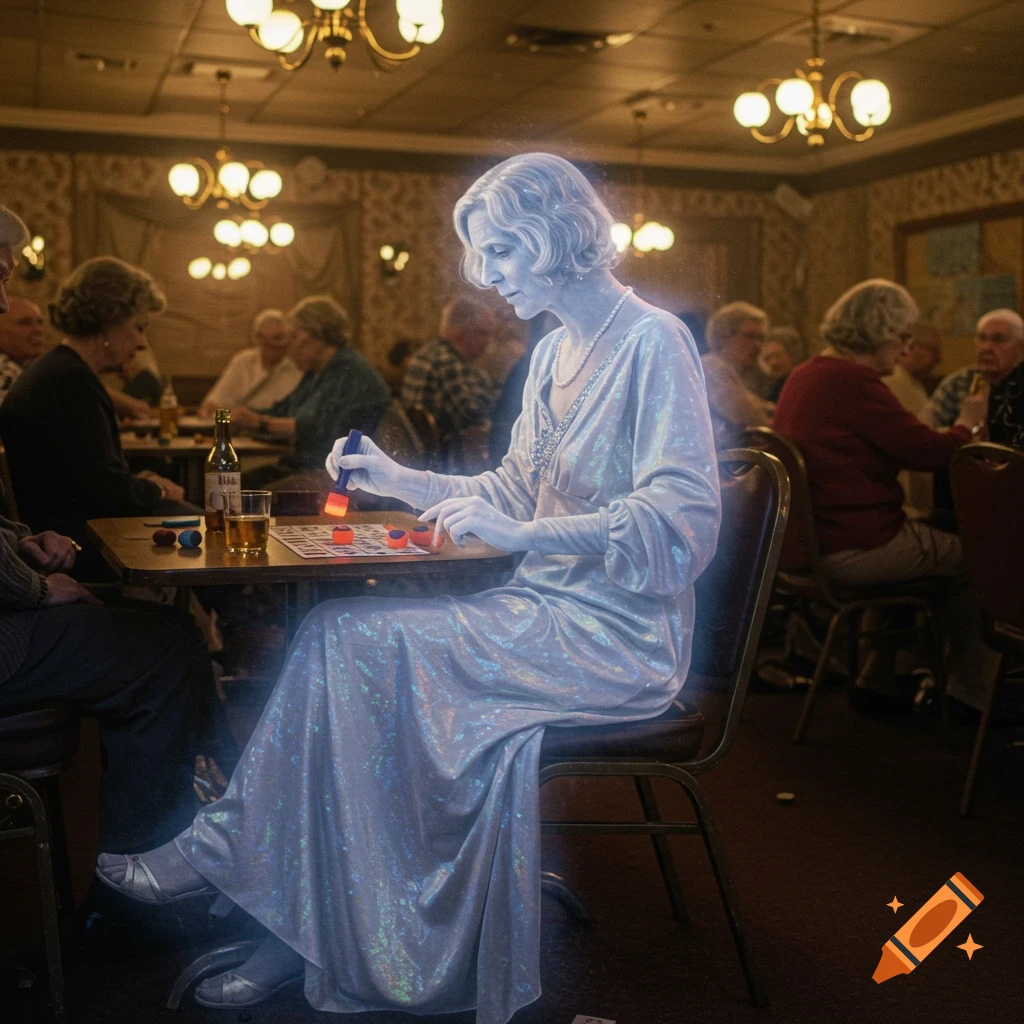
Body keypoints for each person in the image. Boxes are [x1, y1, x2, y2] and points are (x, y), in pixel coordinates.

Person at [94, 152, 721, 1021]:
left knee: (348, 642)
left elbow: (683, 526)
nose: (489, 278)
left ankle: (236, 867)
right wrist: (400, 477)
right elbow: (507, 491)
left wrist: (531, 534)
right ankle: (311, 924)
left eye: (501, 254)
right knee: (340, 646)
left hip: (617, 635)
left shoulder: (654, 340)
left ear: (552, 237)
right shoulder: (552, 355)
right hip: (538, 613)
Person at [773, 279, 994, 710]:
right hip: (855, 546)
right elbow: (929, 452)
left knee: (925, 544)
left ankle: (879, 676)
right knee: (979, 560)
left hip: (811, 545)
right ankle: (974, 696)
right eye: (902, 336)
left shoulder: (806, 374)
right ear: (876, 331)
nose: (906, 349)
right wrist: (968, 423)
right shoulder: (852, 381)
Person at [0, 256, 191, 580]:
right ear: (108, 323)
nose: (142, 342)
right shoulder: (70, 381)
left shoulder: (60, 370)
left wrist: (144, 484)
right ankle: (250, 620)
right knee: (205, 528)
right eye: (139, 327)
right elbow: (108, 492)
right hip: (79, 545)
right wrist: (156, 491)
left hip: (70, 532)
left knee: (196, 521)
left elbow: (94, 475)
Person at [230, 295, 390, 490]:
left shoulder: (349, 371)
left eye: (294, 336)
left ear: (315, 336)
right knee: (232, 485)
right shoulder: (317, 371)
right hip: (302, 466)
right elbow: (285, 409)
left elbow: (321, 431)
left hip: (336, 477)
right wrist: (248, 417)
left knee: (251, 496)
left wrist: (260, 423)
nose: (289, 347)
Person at [400, 297, 497, 471]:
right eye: (483, 333)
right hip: (449, 466)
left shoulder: (425, 353)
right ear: (461, 332)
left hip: (420, 461)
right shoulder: (448, 363)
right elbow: (476, 418)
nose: (489, 342)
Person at [923, 309, 1024, 429]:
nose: (987, 347)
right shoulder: (958, 383)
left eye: (998, 339)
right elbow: (929, 432)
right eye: (982, 338)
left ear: (1020, 347)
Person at [198, 309, 302, 416]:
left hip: (278, 429)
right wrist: (227, 423)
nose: (279, 345)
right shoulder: (243, 361)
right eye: (274, 339)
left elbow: (301, 420)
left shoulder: (299, 364)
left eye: (283, 338)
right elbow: (212, 407)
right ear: (258, 339)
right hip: (241, 428)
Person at [701, 300, 772, 447]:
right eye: (750, 336)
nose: (758, 345)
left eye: (761, 338)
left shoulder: (733, 370)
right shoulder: (712, 368)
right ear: (723, 337)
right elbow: (751, 419)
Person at [0, 295, 46, 405]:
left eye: (39, 322)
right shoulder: (6, 376)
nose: (38, 330)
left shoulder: (33, 370)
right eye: (25, 323)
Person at [757, 326, 799, 402]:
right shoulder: (768, 388)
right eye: (768, 358)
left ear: (792, 355)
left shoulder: (801, 383)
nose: (773, 362)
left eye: (778, 355)